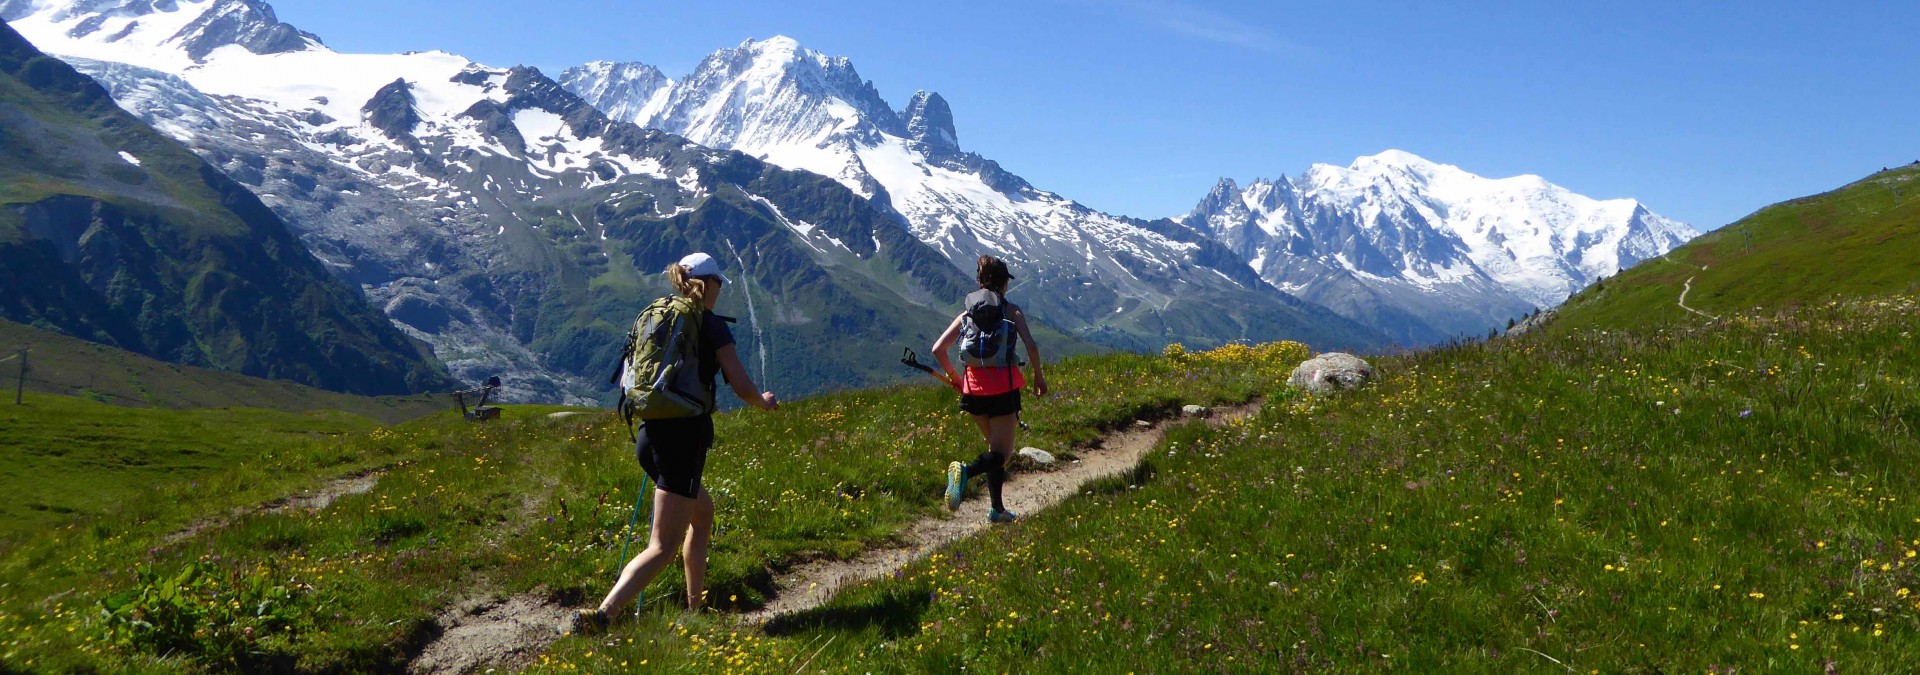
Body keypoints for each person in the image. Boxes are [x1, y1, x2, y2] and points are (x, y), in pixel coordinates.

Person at [574, 252, 778, 633]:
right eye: (718, 282)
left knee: (702, 514)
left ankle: (694, 609)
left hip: (649, 435)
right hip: (681, 442)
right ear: (709, 283)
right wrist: (762, 402)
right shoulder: (709, 324)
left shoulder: (659, 315)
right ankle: (602, 616)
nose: (720, 290)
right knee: (662, 547)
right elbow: (740, 383)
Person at [936, 255, 1047, 523]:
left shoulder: (967, 314)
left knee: (993, 449)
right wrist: (1039, 376)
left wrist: (955, 378)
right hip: (1003, 391)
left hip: (972, 392)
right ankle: (964, 471)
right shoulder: (1012, 311)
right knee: (1002, 454)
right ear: (1003, 283)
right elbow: (1031, 346)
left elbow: (938, 349)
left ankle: (997, 510)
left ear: (980, 280)